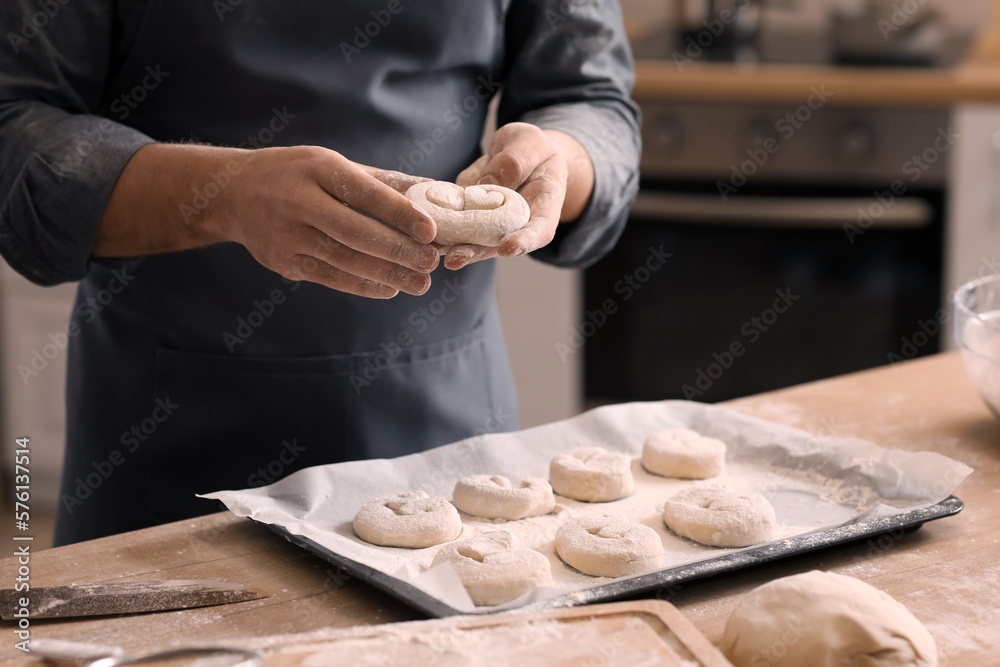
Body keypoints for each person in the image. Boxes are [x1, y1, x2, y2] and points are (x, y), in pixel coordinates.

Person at [0, 1, 640, 545]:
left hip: (441, 422)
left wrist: (560, 158)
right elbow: (15, 129)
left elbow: (588, 98)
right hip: (163, 434)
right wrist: (223, 194)